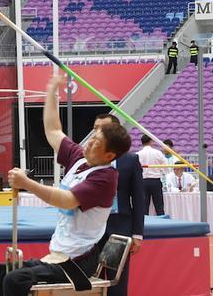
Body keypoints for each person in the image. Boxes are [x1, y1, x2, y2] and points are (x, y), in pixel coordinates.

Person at [0, 75, 131, 296]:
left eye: (97, 142)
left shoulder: (106, 177)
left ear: (109, 155)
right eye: (92, 136)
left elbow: (67, 200)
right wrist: (51, 91)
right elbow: (53, 130)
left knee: (15, 280)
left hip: (77, 262)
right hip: (58, 255)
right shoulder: (79, 158)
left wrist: (27, 183)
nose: (89, 142)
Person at [93, 113, 145, 296]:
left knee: (117, 281)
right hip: (91, 228)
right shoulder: (87, 159)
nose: (97, 132)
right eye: (95, 128)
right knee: (91, 279)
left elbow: (138, 198)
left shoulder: (130, 160)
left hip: (119, 228)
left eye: (102, 129)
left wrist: (137, 233)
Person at [136, 134, 167, 216]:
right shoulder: (158, 153)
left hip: (143, 181)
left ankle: (144, 223)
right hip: (155, 181)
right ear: (151, 141)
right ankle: (162, 222)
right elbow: (165, 166)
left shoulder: (138, 154)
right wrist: (163, 172)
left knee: (144, 207)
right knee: (159, 206)